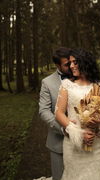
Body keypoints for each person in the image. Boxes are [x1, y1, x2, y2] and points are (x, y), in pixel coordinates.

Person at [55, 48, 100, 180]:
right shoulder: (67, 85)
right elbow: (59, 113)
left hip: (97, 144)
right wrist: (77, 132)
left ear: (85, 62)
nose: (71, 66)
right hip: (75, 145)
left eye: (75, 62)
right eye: (70, 63)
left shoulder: (98, 86)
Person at [38, 47, 72, 180]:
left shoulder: (81, 76)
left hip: (83, 144)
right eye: (66, 64)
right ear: (57, 65)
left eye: (71, 62)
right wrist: (64, 128)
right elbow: (44, 111)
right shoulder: (47, 82)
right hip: (58, 142)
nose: (71, 66)